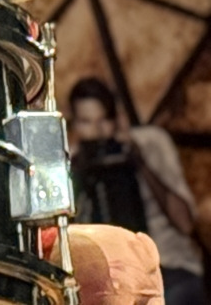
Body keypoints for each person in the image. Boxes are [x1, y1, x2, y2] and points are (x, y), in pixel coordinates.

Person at [71, 76, 205, 305]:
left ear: (117, 119)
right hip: (106, 280)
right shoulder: (71, 162)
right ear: (74, 125)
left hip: (167, 266)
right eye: (86, 122)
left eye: (104, 120)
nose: (97, 131)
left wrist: (139, 163)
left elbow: (185, 223)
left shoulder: (150, 144)